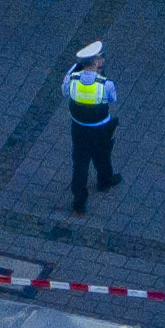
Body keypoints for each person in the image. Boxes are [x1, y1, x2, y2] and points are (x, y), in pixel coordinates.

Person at [64, 42, 121, 214]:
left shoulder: (71, 78)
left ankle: (79, 202)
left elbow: (65, 92)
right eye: (101, 57)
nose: (103, 60)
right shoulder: (105, 84)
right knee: (102, 156)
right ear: (95, 62)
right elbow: (112, 99)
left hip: (79, 128)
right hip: (100, 129)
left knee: (80, 163)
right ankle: (104, 181)